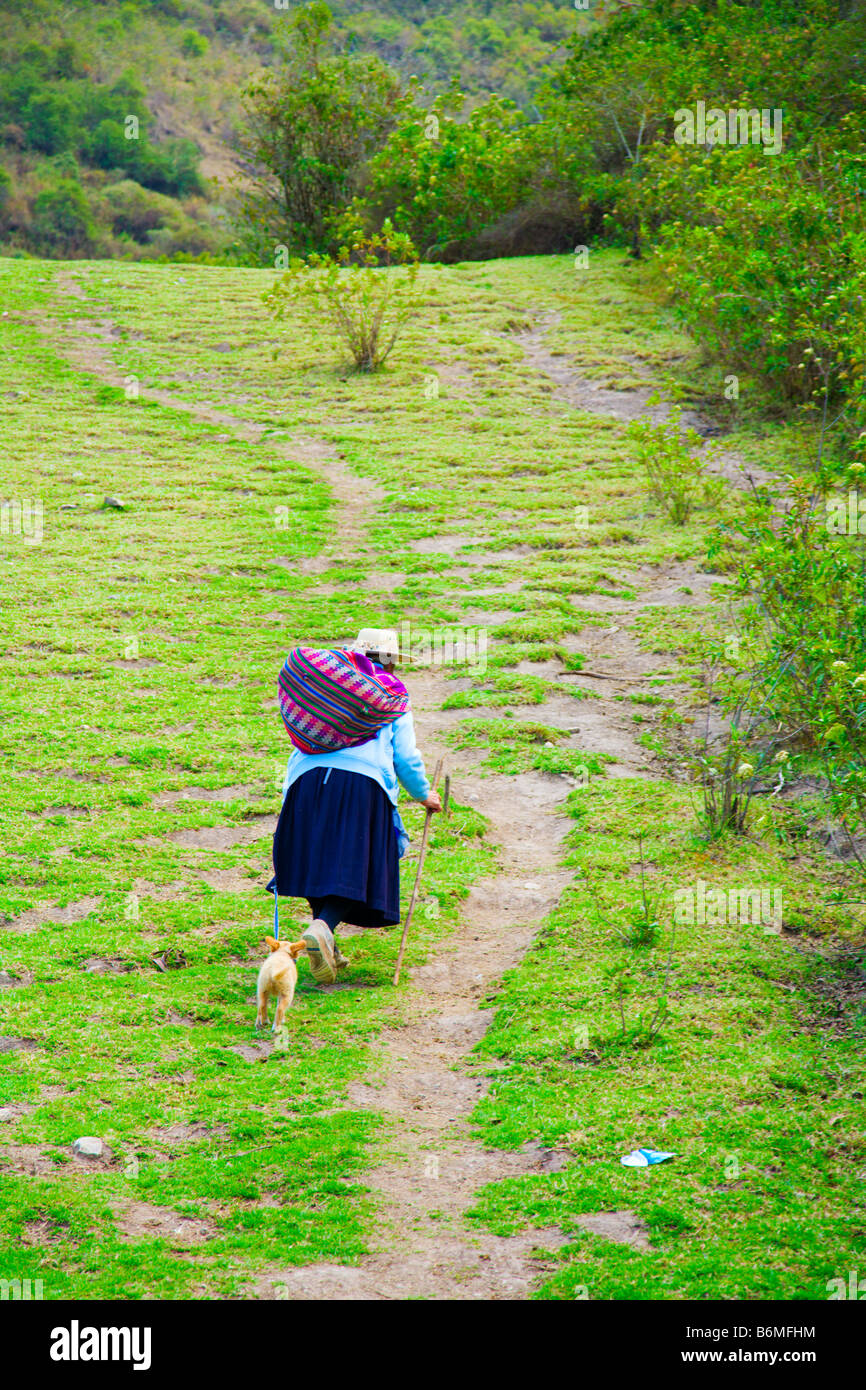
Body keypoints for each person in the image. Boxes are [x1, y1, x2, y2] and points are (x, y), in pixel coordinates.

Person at [269, 628, 442, 984]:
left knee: (318, 862)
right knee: (358, 865)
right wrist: (424, 794)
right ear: (391, 662)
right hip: (360, 786)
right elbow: (406, 758)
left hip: (306, 783)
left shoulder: (325, 690)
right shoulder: (391, 699)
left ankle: (326, 943)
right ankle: (321, 928)